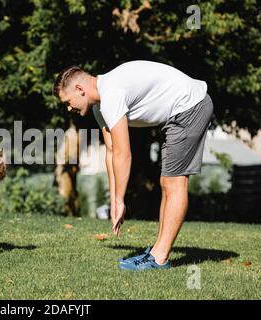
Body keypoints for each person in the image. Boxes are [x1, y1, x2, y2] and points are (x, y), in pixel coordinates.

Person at [53, 60, 214, 270]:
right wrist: (114, 199)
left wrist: (121, 200)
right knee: (167, 182)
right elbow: (111, 152)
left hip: (191, 106)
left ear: (80, 89)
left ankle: (159, 257)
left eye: (67, 101)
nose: (68, 107)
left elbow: (123, 153)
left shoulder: (111, 94)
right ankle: (158, 250)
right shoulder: (100, 107)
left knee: (174, 183)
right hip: (179, 112)